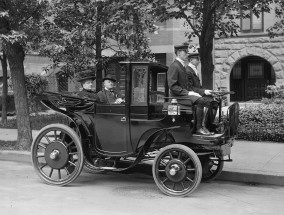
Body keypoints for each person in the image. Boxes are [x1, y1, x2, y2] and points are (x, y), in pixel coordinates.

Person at [167, 44, 212, 135]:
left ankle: (202, 126)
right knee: (200, 100)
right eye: (185, 52)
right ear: (179, 53)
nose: (187, 54)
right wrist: (188, 93)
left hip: (182, 95)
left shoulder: (181, 65)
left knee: (207, 101)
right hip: (177, 97)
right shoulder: (175, 66)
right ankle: (198, 128)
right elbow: (173, 86)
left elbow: (185, 84)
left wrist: (192, 92)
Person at [186, 49, 217, 135]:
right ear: (191, 60)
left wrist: (206, 91)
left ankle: (206, 125)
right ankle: (199, 127)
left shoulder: (193, 70)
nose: (199, 61)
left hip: (196, 93)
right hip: (190, 95)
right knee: (206, 101)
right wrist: (204, 91)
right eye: (197, 59)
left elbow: (198, 87)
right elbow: (190, 88)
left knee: (213, 101)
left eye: (199, 59)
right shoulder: (188, 71)